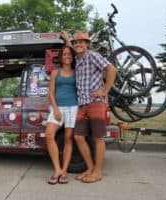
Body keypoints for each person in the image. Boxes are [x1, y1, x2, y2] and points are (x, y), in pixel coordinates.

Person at [60, 30, 116, 183]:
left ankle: (97, 172)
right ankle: (90, 168)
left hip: (96, 103)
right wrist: (67, 39)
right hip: (82, 104)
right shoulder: (77, 59)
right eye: (76, 42)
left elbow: (111, 69)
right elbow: (70, 49)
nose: (78, 44)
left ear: (87, 44)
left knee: (98, 138)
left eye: (82, 42)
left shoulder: (93, 56)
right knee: (78, 136)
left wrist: (105, 90)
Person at [45, 45, 78, 185]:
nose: (67, 57)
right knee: (49, 135)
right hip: (58, 108)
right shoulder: (55, 72)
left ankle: (64, 171)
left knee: (68, 139)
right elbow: (51, 93)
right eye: (64, 54)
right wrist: (56, 110)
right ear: (60, 57)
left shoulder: (77, 72)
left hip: (73, 107)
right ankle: (57, 169)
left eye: (69, 55)